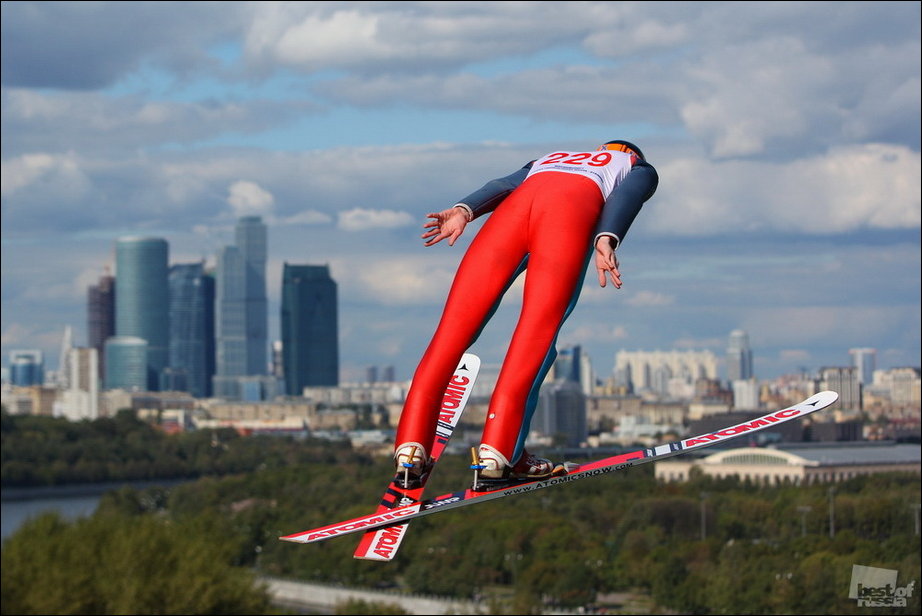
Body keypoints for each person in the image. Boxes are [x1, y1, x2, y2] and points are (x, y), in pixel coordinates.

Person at [394, 140, 658, 485]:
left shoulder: (554, 158)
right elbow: (629, 196)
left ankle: (410, 450)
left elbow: (501, 186)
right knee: (533, 337)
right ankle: (499, 455)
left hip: (508, 219)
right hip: (565, 221)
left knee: (449, 335)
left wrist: (464, 210)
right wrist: (607, 237)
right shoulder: (635, 166)